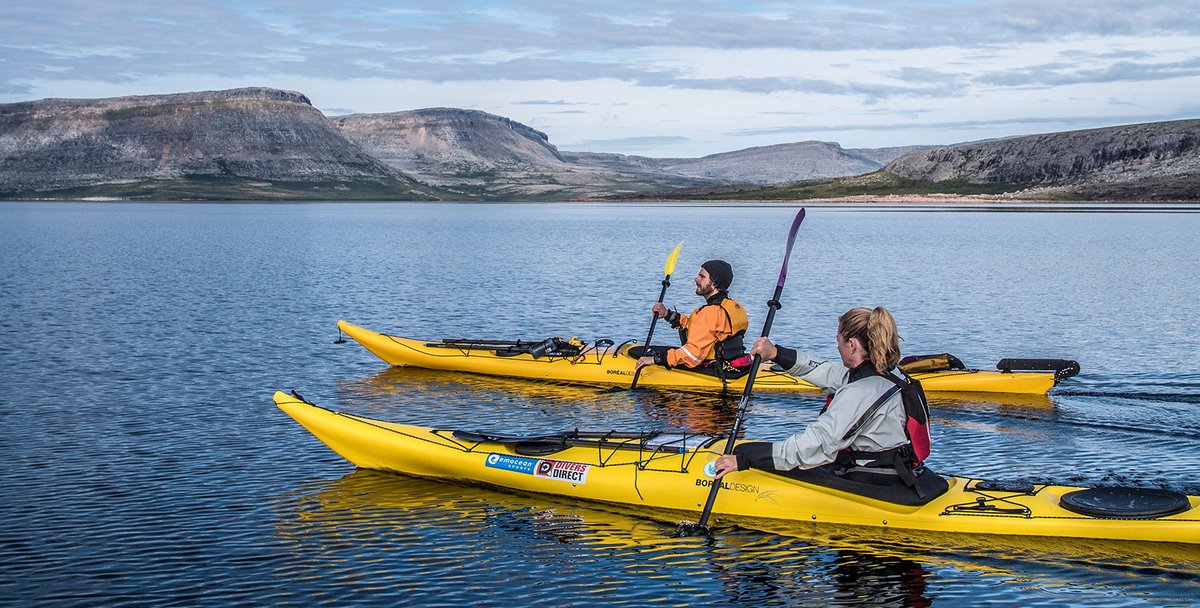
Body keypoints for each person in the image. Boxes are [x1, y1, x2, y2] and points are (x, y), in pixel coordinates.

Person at [712, 306, 946, 503]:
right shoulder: (889, 373)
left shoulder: (859, 393)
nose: (837, 347)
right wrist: (776, 353)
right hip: (902, 471)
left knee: (749, 452)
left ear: (852, 345)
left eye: (838, 341)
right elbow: (825, 371)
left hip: (876, 480)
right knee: (753, 450)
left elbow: (814, 446)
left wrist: (743, 459)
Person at [633, 260, 750, 377]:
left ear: (714, 283)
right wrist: (668, 315)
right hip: (732, 365)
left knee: (655, 353)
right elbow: (702, 330)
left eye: (702, 276)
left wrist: (656, 359)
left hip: (715, 369)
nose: (696, 279)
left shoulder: (710, 313)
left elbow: (692, 355)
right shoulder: (733, 306)